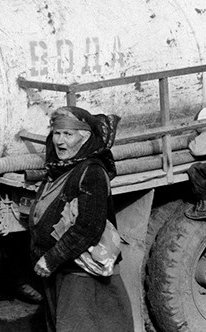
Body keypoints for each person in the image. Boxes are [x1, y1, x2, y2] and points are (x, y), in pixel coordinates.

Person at [29, 106, 133, 331]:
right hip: (62, 274)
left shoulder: (92, 172)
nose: (60, 140)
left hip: (81, 276)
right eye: (57, 133)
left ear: (84, 138)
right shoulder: (59, 169)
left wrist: (51, 259)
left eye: (68, 134)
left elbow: (88, 227)